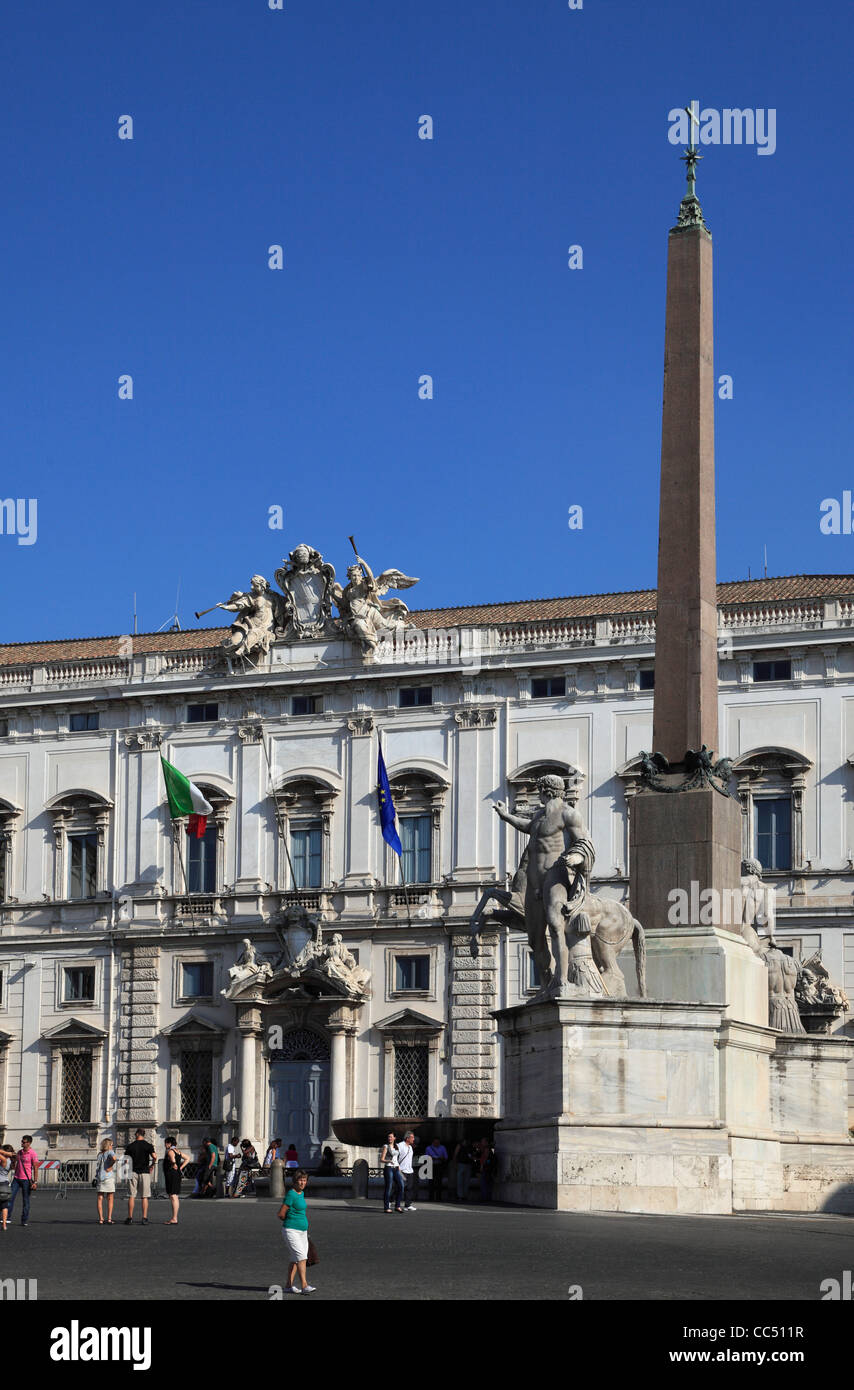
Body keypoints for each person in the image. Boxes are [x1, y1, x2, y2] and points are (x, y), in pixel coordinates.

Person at [276, 1169, 315, 1295]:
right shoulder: (291, 1195)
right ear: (295, 1181)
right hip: (291, 1230)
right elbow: (281, 1214)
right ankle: (304, 1285)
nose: (303, 1183)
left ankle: (288, 1285)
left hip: (302, 1231)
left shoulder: (301, 1193)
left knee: (295, 1258)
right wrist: (292, 1221)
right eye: (300, 1180)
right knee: (301, 1257)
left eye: (304, 1180)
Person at [124, 1127, 156, 1225]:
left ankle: (130, 1218)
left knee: (131, 1196)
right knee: (144, 1196)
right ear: (143, 1134)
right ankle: (144, 1218)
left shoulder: (130, 1146)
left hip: (132, 1172)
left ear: (137, 1134)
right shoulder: (148, 1145)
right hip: (145, 1172)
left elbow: (126, 1161)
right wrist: (152, 1165)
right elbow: (155, 1157)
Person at [8, 1135, 40, 1226]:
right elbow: (15, 1164)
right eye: (22, 1141)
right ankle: (7, 1218)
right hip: (17, 1179)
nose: (22, 1143)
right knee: (10, 1198)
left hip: (26, 1180)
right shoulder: (20, 1152)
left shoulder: (33, 1153)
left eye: (24, 1142)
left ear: (29, 1143)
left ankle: (24, 1220)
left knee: (26, 1201)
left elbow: (36, 1168)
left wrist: (35, 1182)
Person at [162, 1137, 188, 1224]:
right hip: (176, 1175)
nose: (165, 1145)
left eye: (165, 1143)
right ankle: (174, 1217)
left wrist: (174, 1164)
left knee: (173, 1196)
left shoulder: (170, 1151)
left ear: (169, 1143)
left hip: (171, 1175)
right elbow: (187, 1158)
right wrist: (181, 1167)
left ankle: (174, 1218)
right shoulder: (178, 1151)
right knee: (175, 1196)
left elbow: (172, 1160)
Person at [95, 1138, 117, 1224]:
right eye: (111, 1144)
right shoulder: (110, 1152)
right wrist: (110, 1165)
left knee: (100, 1198)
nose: (112, 1146)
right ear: (109, 1145)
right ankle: (109, 1219)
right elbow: (114, 1158)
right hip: (108, 1177)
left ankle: (101, 1219)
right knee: (110, 1198)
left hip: (100, 1177)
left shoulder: (100, 1154)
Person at [380, 1131, 403, 1213]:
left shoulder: (396, 1147)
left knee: (401, 1186)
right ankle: (386, 1207)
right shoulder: (386, 1146)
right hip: (388, 1168)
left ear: (394, 1138)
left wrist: (399, 1166)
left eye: (391, 1137)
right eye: (388, 1137)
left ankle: (397, 1206)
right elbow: (381, 1159)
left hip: (396, 1168)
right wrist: (388, 1160)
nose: (389, 1138)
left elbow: (396, 1158)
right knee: (388, 1187)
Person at [397, 1131, 417, 1212]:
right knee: (400, 1187)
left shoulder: (410, 1147)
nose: (413, 1139)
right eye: (412, 1137)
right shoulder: (400, 1145)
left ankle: (407, 1205)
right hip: (401, 1170)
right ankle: (391, 1200)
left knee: (409, 1188)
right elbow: (395, 1156)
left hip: (409, 1171)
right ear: (407, 1138)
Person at [425, 1137, 448, 1202]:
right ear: (433, 1142)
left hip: (439, 1165)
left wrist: (441, 1158)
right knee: (431, 1182)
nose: (436, 1144)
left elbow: (446, 1157)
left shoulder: (442, 1147)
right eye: (435, 1142)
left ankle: (438, 1197)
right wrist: (432, 1158)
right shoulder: (428, 1148)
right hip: (430, 1165)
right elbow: (426, 1157)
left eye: (438, 1143)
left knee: (439, 1181)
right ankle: (431, 1197)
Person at [476, 1137, 496, 1203]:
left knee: (484, 1182)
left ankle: (485, 1197)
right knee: (487, 1182)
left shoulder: (487, 1149)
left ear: (486, 1142)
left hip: (486, 1168)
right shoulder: (488, 1148)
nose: (481, 1143)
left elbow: (485, 1158)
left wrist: (482, 1166)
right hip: (489, 1168)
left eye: (483, 1141)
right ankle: (487, 1197)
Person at [454, 1137, 474, 1203]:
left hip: (467, 1164)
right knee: (460, 1180)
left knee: (466, 1181)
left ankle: (464, 1195)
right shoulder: (460, 1146)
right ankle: (460, 1195)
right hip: (461, 1164)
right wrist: (455, 1163)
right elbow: (455, 1154)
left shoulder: (469, 1146)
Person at [0, 1144, 15, 1231]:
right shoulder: (10, 1161)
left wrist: (5, 1152)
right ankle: (4, 1224)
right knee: (4, 1205)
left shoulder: (4, 1160)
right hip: (5, 1184)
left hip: (0, 1183)